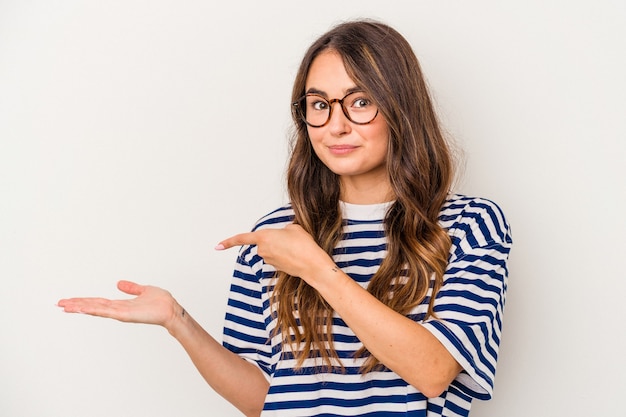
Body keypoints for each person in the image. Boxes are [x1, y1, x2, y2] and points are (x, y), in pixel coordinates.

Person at [58, 19, 513, 417]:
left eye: (359, 102)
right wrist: (178, 320)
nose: (336, 125)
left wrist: (318, 270)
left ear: (400, 108)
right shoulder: (276, 236)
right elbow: (263, 400)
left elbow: (434, 372)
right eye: (319, 105)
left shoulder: (468, 225)